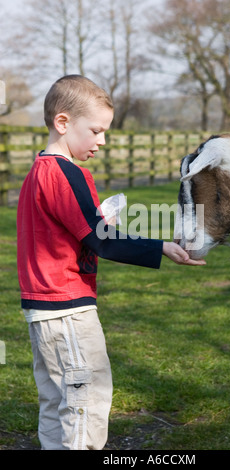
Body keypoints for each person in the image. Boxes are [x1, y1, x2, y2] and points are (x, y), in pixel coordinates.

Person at [16, 74, 206, 450]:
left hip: (43, 311)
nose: (102, 141)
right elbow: (101, 242)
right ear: (63, 123)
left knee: (58, 402)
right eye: (97, 130)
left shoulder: (39, 171)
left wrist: (101, 225)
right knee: (87, 402)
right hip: (67, 309)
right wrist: (160, 247)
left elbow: (79, 233)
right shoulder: (66, 174)